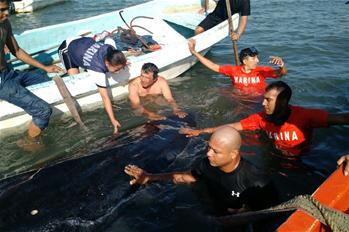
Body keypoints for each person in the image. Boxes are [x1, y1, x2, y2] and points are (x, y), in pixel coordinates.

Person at [125, 126, 277, 213]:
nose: (208, 153)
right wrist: (149, 177)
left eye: (215, 151)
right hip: (210, 209)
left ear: (233, 154)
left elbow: (272, 213)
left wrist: (244, 214)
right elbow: (186, 177)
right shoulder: (206, 164)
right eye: (209, 147)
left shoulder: (257, 181)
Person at [180, 81, 349, 156]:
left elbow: (342, 119)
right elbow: (233, 126)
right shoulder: (261, 118)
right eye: (264, 98)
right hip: (273, 155)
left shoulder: (305, 116)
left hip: (304, 158)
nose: (262, 103)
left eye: (268, 100)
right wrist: (201, 131)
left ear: (282, 101)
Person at [0, 0, 63, 148]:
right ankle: (28, 143)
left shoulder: (5, 23)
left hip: (9, 73)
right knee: (43, 111)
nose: (7, 13)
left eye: (8, 8)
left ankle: (36, 125)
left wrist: (44, 67)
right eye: (2, 9)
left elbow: (16, 51)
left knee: (44, 79)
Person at [58, 36, 127, 134]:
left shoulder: (111, 49)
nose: (118, 72)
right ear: (107, 63)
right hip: (68, 48)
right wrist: (113, 120)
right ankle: (77, 62)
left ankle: (83, 61)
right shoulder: (96, 70)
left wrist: (123, 63)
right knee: (75, 79)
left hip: (84, 43)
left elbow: (109, 38)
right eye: (116, 70)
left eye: (121, 68)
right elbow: (105, 97)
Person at [188, 39, 287, 95]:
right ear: (245, 61)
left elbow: (281, 74)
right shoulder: (234, 71)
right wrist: (194, 52)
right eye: (254, 58)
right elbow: (213, 66)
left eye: (257, 58)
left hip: (259, 99)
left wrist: (281, 65)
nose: (258, 61)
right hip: (240, 100)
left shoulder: (261, 71)